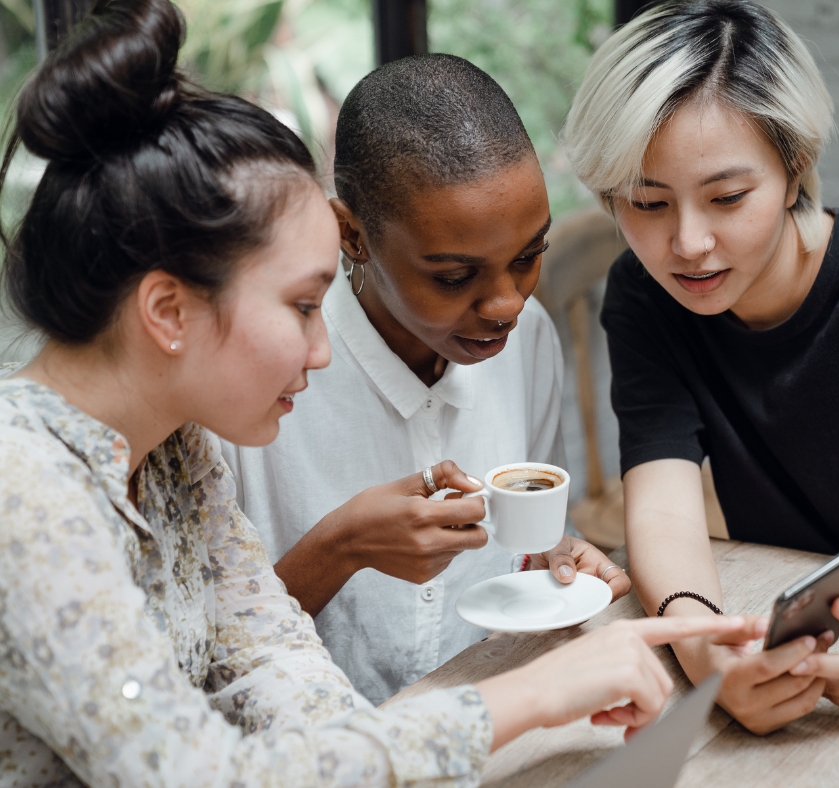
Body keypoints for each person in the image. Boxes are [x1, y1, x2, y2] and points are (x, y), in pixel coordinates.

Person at [0, 1, 753, 784]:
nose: (323, 348)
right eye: (301, 306)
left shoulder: (174, 456)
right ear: (167, 311)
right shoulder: (21, 486)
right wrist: (528, 697)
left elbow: (275, 670)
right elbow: (195, 772)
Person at [561, 0, 839, 734]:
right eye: (647, 202)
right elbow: (665, 508)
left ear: (796, 168)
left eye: (728, 197)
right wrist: (708, 656)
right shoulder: (646, 298)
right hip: (797, 631)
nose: (689, 243)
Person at [222, 54, 630, 705]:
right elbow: (204, 661)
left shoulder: (529, 344)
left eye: (528, 257)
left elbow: (525, 553)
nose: (506, 305)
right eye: (453, 277)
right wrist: (339, 548)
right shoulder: (258, 385)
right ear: (351, 235)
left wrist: (555, 559)